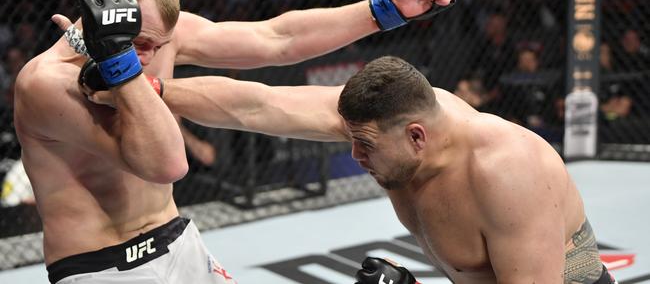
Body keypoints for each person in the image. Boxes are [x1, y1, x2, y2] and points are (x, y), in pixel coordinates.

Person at [25, 0, 454, 283]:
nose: (148, 57)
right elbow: (166, 165)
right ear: (106, 17)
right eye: (136, 44)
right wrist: (120, 63)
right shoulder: (47, 83)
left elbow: (276, 39)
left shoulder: (153, 39)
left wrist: (385, 9)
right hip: (102, 267)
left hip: (177, 240)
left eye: (160, 45)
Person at [86, 56, 615, 283]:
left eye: (363, 147)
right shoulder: (382, 123)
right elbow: (255, 105)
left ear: (416, 136)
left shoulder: (508, 172)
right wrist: (139, 86)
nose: (355, 158)